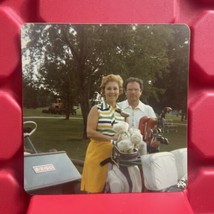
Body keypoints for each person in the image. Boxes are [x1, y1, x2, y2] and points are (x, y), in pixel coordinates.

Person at [81, 74, 125, 193]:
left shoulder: (122, 112)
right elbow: (89, 132)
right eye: (109, 88)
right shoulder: (97, 108)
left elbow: (124, 134)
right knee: (94, 192)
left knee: (112, 191)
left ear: (119, 91)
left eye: (115, 88)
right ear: (103, 91)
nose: (112, 91)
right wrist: (111, 138)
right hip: (98, 156)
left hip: (116, 158)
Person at [118, 77, 157, 154]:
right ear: (125, 91)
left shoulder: (148, 110)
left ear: (141, 92)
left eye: (136, 89)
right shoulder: (118, 107)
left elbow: (154, 133)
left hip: (142, 152)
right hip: (121, 151)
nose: (133, 92)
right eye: (130, 89)